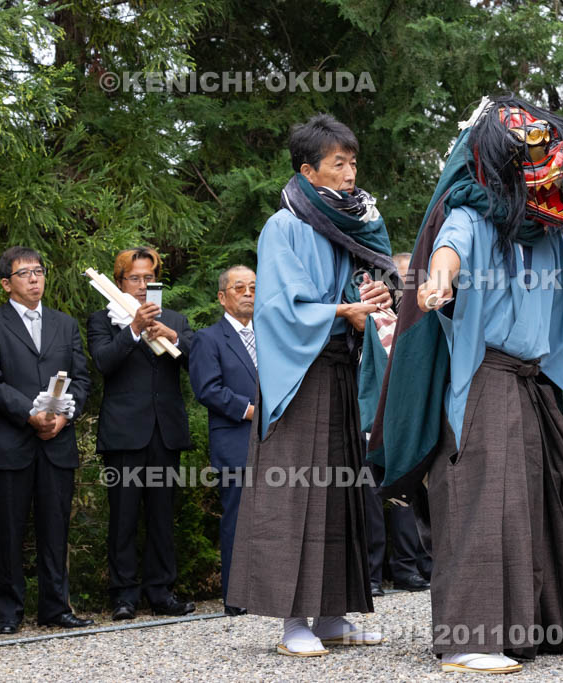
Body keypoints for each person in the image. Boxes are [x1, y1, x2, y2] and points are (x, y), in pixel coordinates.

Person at [368, 95, 563, 674]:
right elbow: (447, 252)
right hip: (483, 381)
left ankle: (546, 625)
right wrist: (438, 282)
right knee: (485, 502)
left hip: (530, 386)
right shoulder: (469, 215)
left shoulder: (548, 237)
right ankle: (467, 640)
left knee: (560, 496)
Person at [226, 113, 394, 656]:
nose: (349, 174)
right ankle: (292, 621)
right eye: (337, 164)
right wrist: (344, 310)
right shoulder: (285, 225)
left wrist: (374, 302)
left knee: (341, 495)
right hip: (299, 375)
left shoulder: (349, 223)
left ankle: (332, 615)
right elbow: (279, 308)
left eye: (353, 163)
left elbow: (365, 288)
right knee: (294, 495)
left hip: (341, 369)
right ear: (308, 171)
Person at [0, 247, 93, 634]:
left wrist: (63, 417)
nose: (34, 278)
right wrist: (30, 413)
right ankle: (9, 611)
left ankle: (55, 608)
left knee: (55, 529)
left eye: (39, 271)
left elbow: (82, 379)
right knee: (8, 530)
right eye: (24, 273)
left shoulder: (65, 324)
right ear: (6, 283)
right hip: (11, 443)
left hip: (57, 442)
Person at [88, 246, 196, 620]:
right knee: (123, 517)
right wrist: (134, 329)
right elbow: (103, 362)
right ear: (119, 281)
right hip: (124, 433)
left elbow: (197, 362)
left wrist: (175, 338)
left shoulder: (175, 319)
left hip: (165, 432)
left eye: (148, 277)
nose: (141, 284)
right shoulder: (104, 320)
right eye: (134, 278)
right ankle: (124, 595)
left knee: (162, 516)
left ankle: (161, 591)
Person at [189, 265, 258, 615]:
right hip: (235, 439)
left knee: (273, 520)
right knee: (238, 518)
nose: (248, 294)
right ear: (221, 297)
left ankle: (268, 592)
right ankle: (237, 597)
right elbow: (208, 389)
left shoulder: (271, 335)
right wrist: (250, 411)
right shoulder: (208, 338)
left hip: (275, 440)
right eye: (239, 288)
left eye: (253, 288)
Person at [363, 252, 432, 597]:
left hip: (410, 423)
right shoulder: (371, 317)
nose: (405, 284)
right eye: (399, 277)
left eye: (412, 278)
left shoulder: (425, 320)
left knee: (408, 499)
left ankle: (408, 568)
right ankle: (371, 576)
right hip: (372, 422)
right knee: (371, 503)